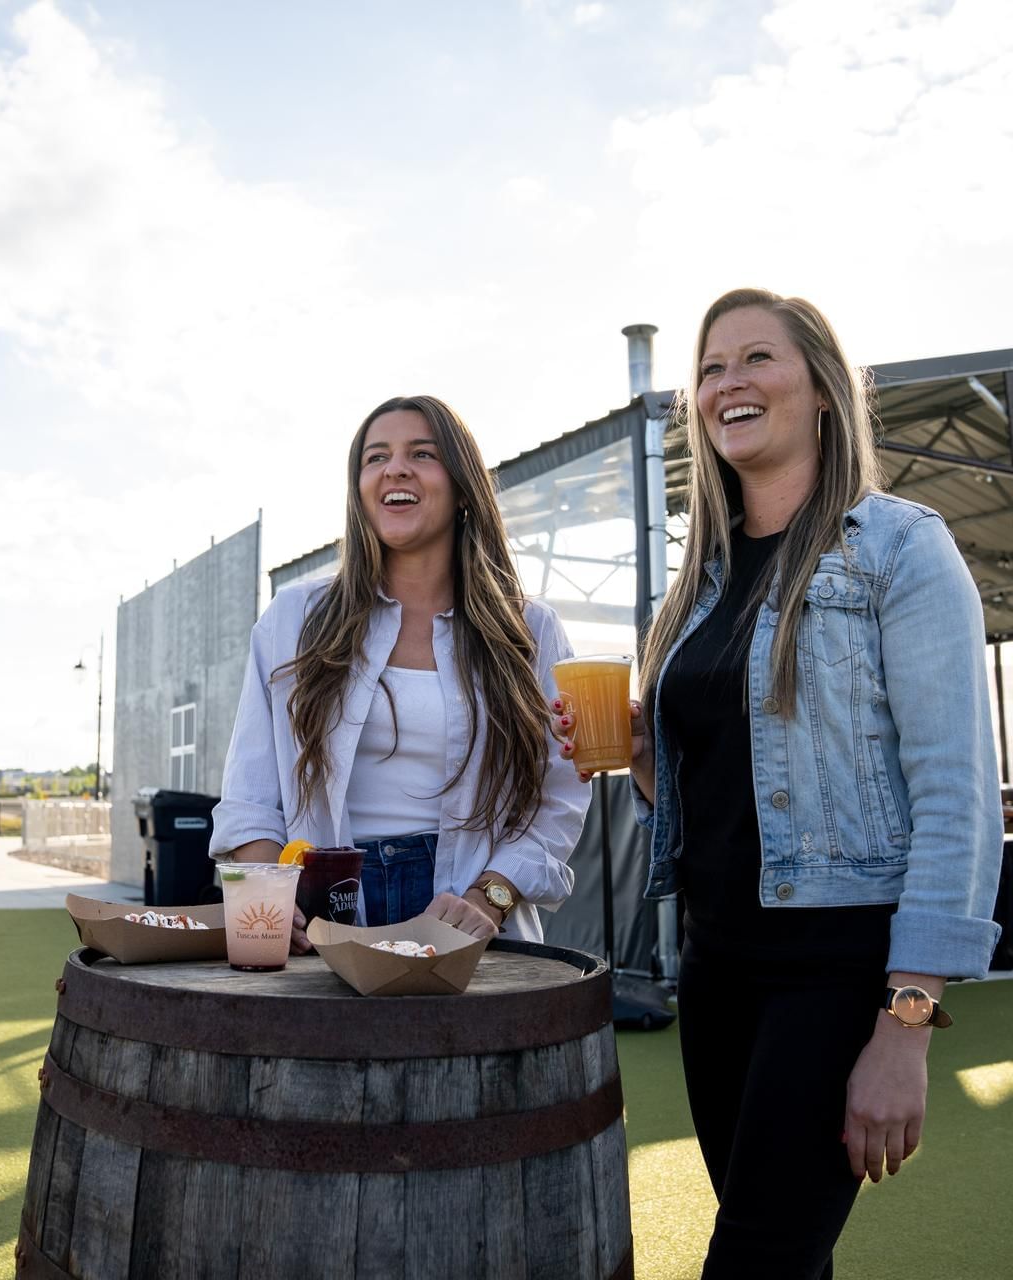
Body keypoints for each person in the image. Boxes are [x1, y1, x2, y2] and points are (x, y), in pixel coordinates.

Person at [557, 288, 1002, 1278]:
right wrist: (640, 758)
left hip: (836, 967)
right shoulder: (697, 581)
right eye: (709, 368)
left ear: (819, 392)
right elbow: (720, 789)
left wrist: (907, 1019)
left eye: (756, 358)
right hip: (713, 967)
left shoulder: (898, 546)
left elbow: (953, 792)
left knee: (753, 1258)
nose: (727, 383)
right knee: (785, 1253)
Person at [211, 394, 588, 948]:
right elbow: (250, 793)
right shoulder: (293, 620)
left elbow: (559, 796)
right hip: (322, 921)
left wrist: (493, 896)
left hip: (469, 918)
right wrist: (273, 893)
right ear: (360, 491)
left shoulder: (529, 629)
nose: (395, 468)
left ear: (462, 487)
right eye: (375, 457)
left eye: (422, 453)